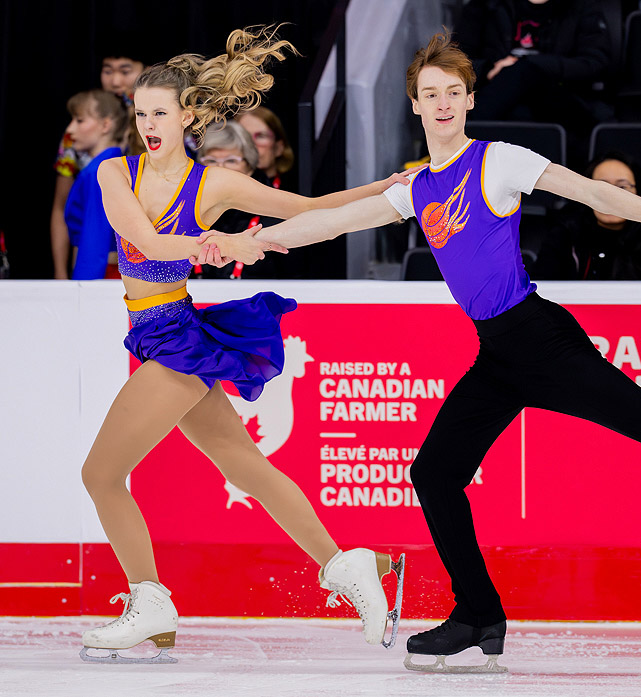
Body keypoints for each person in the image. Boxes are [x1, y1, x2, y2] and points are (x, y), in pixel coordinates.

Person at [196, 32, 641, 673]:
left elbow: (596, 193)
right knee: (435, 472)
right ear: (416, 104)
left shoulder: (498, 161)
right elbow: (332, 221)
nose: (444, 102)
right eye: (431, 92)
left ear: (469, 99)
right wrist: (252, 241)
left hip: (543, 340)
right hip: (499, 355)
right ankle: (479, 613)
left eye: (454, 90)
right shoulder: (414, 187)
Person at [79, 26, 414, 665]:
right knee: (245, 467)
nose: (148, 122)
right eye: (140, 111)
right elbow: (146, 244)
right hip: (157, 331)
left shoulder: (213, 186)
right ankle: (350, 565)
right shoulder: (114, 172)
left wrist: (388, 189)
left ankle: (149, 604)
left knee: (100, 474)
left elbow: (309, 207)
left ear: (191, 117)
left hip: (173, 337)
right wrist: (219, 246)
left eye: (160, 112)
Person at [456, 0, 613, 169]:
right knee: (519, 105)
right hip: (501, 99)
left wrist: (529, 65)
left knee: (526, 73)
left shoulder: (582, 7)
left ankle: (454, 140)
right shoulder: (485, 5)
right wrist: (490, 68)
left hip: (560, 100)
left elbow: (595, 64)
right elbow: (457, 62)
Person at [50, 46, 147, 279]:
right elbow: (61, 209)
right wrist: (61, 275)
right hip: (97, 265)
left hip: (134, 266)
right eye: (108, 70)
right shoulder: (82, 144)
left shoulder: (157, 131)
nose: (116, 81)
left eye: (125, 71)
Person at [532, 151, 641, 279]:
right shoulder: (565, 234)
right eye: (602, 189)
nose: (612, 199)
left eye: (622, 188)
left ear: (639, 193)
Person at [191, 119, 296, 279]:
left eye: (231, 160)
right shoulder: (187, 210)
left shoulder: (274, 214)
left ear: (250, 165)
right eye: (211, 161)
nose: (220, 169)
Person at [63, 90, 129, 279]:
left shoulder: (100, 171)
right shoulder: (112, 164)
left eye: (79, 120)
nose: (70, 129)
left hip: (102, 276)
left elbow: (95, 237)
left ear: (106, 125)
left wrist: (83, 290)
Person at [237, 106, 294, 189]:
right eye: (245, 136)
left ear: (279, 147)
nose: (252, 144)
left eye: (261, 136)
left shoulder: (296, 191)